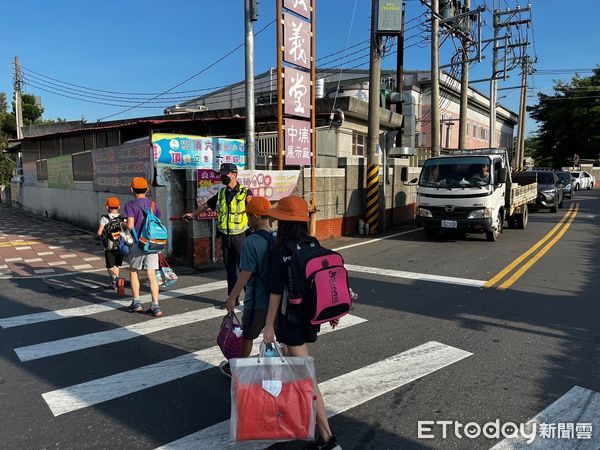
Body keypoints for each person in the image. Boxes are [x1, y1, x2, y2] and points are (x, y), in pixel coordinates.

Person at [263, 195, 341, 450]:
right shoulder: (312, 243)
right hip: (310, 319)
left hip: (290, 321)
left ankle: (328, 439)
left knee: (307, 379)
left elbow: (275, 291)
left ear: (282, 221)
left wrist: (268, 326)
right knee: (296, 368)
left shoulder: (279, 249)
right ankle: (297, 417)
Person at [219, 197, 274, 377]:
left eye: (249, 216)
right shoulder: (276, 239)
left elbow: (245, 273)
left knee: (248, 336)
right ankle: (278, 368)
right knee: (275, 335)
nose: (248, 220)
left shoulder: (252, 241)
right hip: (276, 299)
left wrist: (232, 297)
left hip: (256, 299)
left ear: (256, 216)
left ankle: (237, 369)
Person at [184, 163, 252, 308]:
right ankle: (232, 299)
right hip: (226, 237)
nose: (222, 177)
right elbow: (206, 205)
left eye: (224, 175)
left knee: (244, 269)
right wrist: (193, 214)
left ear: (234, 175)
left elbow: (254, 209)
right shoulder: (221, 193)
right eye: (220, 175)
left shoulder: (245, 193)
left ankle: (250, 300)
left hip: (241, 237)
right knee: (230, 270)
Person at [124, 177, 163, 317]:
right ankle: (155, 306)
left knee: (133, 271)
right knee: (151, 275)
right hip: (152, 243)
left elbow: (129, 225)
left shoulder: (130, 205)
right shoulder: (153, 205)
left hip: (138, 243)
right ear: (147, 189)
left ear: (131, 189)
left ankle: (137, 303)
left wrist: (122, 224)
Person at [97, 197, 125, 296]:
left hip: (109, 246)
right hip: (121, 245)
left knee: (110, 266)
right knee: (116, 265)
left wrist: (103, 237)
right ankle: (115, 283)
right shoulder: (123, 218)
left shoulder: (105, 218)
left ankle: (116, 280)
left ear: (107, 207)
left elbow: (99, 232)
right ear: (119, 207)